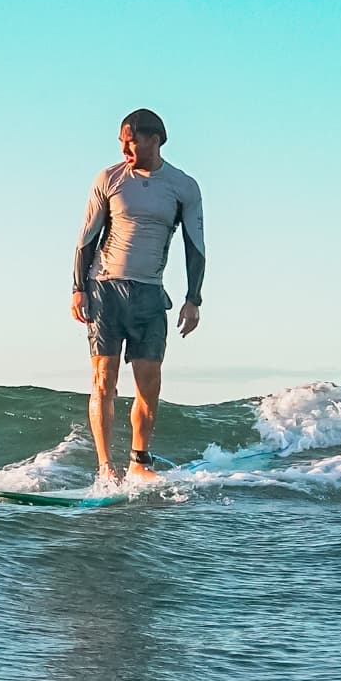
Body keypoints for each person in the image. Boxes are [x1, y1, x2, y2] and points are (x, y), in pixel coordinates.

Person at [70, 108, 205, 482]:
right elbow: (86, 238)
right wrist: (78, 288)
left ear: (154, 139)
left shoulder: (183, 186)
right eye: (121, 140)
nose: (124, 146)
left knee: (150, 384)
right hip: (105, 289)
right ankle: (105, 468)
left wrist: (194, 298)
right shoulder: (109, 179)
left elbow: (196, 246)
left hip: (148, 295)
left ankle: (139, 462)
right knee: (104, 381)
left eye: (131, 139)